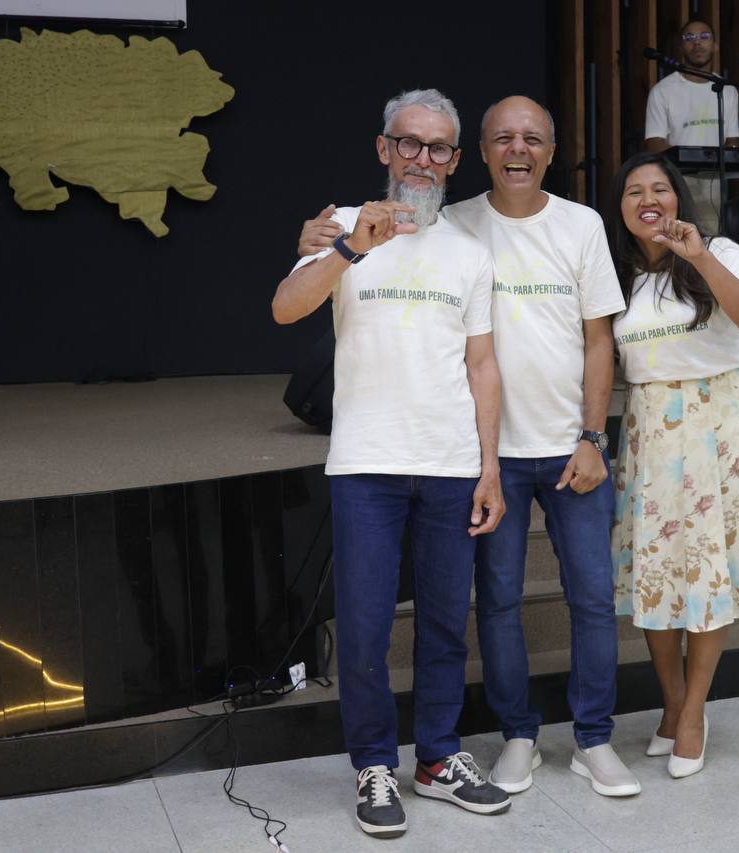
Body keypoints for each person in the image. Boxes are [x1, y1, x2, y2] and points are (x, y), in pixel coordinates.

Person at [298, 96, 640, 798]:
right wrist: (328, 241)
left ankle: (575, 741)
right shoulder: (416, 221)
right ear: (476, 154)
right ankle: (488, 741)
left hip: (528, 452)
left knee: (572, 602)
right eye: (502, 137)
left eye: (533, 138)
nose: (423, 160)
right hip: (439, 458)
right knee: (463, 610)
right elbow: (298, 295)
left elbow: (575, 344)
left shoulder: (550, 229)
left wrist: (591, 435)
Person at [271, 88, 510, 839]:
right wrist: (349, 248)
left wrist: (490, 467)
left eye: (438, 148)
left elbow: (482, 365)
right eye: (409, 143)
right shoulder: (340, 224)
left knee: (443, 622)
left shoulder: (469, 253)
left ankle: (437, 756)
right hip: (366, 463)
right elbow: (285, 308)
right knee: (366, 626)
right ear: (383, 149)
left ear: (454, 161)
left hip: (450, 462)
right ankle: (374, 763)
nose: (422, 160)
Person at [606, 151, 739, 779]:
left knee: (708, 567)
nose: (648, 199)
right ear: (621, 208)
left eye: (659, 188)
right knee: (655, 570)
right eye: (634, 191)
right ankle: (671, 703)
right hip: (652, 430)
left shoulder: (718, 251)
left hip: (725, 424)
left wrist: (699, 258)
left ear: (679, 198)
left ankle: (693, 713)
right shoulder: (615, 274)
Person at [644, 18, 739, 236]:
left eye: (704, 36)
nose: (697, 43)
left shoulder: (727, 90)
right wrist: (688, 157)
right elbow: (654, 143)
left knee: (710, 242)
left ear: (715, 45)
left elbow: (733, 142)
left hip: (714, 184)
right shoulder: (663, 91)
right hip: (677, 181)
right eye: (690, 37)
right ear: (680, 48)